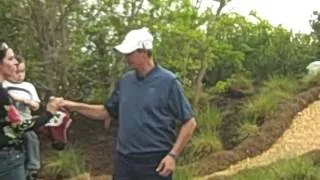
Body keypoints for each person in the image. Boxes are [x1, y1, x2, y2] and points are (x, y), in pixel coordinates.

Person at [60, 27, 197, 180]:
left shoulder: (168, 82)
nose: (126, 57)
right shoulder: (126, 81)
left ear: (144, 52)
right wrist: (71, 105)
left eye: (130, 53)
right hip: (124, 160)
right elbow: (105, 112)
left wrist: (173, 155)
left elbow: (189, 122)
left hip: (155, 161)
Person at [0, 42, 63, 180]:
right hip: (6, 158)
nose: (16, 62)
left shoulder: (20, 88)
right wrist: (48, 113)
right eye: (10, 59)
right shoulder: (2, 93)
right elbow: (20, 125)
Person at [2, 55, 41, 180]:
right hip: (10, 125)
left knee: (31, 138)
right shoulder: (4, 84)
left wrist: (29, 103)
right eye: (17, 71)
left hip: (26, 120)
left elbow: (36, 105)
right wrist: (17, 99)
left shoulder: (28, 86)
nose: (19, 75)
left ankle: (33, 167)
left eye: (23, 72)